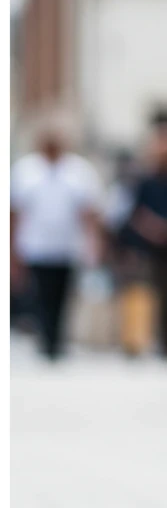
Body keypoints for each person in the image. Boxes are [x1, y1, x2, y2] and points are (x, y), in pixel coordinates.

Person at [10, 123, 104, 359]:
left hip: (67, 245)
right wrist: (11, 248)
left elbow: (89, 212)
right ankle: (45, 340)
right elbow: (15, 211)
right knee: (41, 294)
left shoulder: (79, 171)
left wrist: (93, 243)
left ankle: (57, 340)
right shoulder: (26, 170)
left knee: (62, 295)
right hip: (36, 246)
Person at [118, 123, 167, 357]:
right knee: (142, 293)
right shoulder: (145, 180)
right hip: (145, 246)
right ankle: (138, 340)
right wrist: (153, 228)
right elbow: (134, 212)